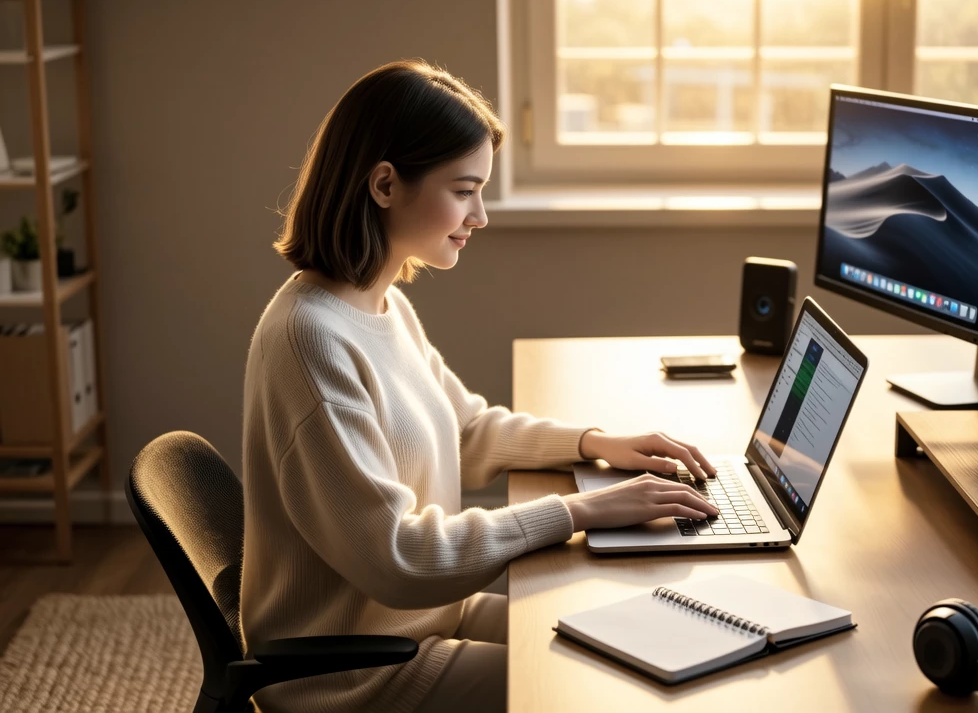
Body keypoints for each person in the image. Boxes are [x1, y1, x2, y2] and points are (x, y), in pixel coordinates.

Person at [239, 59, 721, 713]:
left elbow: (466, 430)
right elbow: (397, 558)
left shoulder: (379, 305)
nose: (481, 216)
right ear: (384, 184)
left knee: (638, 637)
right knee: (603, 693)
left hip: (426, 624)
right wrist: (576, 513)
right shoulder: (311, 340)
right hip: (355, 675)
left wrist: (595, 443)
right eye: (465, 190)